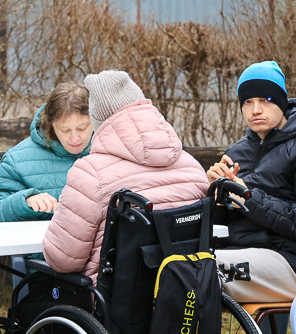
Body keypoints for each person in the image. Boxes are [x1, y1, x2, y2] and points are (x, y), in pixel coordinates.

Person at [42, 69, 209, 285]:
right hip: (186, 295)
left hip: (118, 302)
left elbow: (62, 259)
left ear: (96, 120)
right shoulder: (192, 167)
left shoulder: (90, 173)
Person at [208, 61, 296, 303]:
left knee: (197, 273)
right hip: (236, 255)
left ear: (282, 103)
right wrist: (215, 198)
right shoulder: (236, 152)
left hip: (293, 263)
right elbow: (218, 229)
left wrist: (249, 198)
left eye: (265, 100)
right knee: (173, 266)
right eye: (247, 102)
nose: (255, 110)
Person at [0, 81, 91, 222]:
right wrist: (25, 202)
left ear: (95, 119)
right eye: (65, 130)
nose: (74, 138)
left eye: (82, 128)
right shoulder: (17, 160)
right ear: (51, 125)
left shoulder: (114, 150)